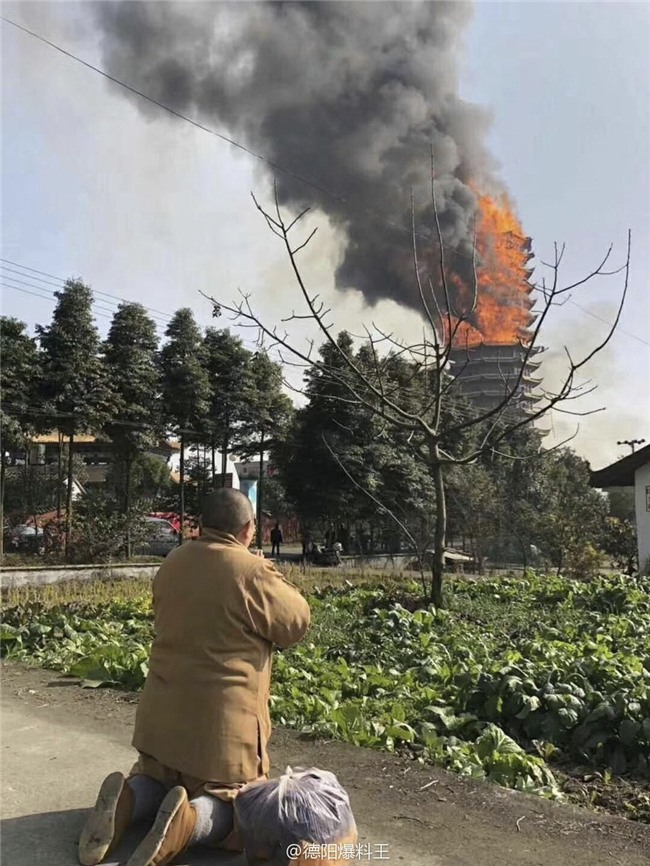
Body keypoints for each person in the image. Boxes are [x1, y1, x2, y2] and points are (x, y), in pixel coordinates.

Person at [78, 488, 311, 866]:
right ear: (249, 529)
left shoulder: (173, 561)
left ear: (202, 525)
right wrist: (270, 570)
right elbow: (296, 622)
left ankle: (128, 800)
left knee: (159, 779)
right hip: (220, 732)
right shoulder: (251, 572)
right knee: (240, 809)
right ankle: (190, 824)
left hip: (159, 723)